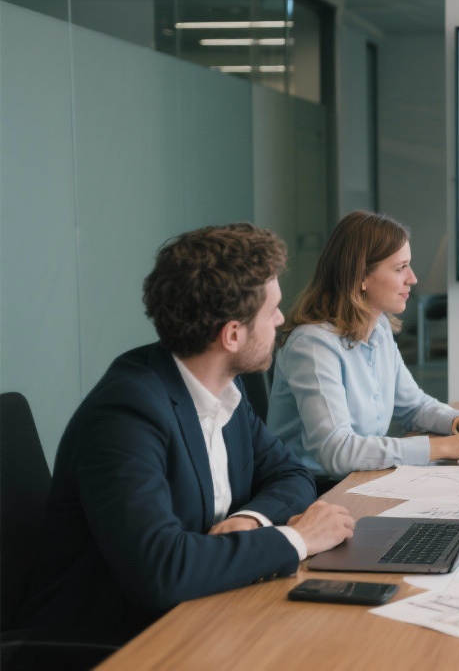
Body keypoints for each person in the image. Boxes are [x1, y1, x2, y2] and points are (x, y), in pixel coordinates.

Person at [19, 224, 354, 646]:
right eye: (272, 311)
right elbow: (162, 571)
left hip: (205, 612)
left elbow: (290, 475)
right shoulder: (125, 414)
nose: (281, 321)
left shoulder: (223, 390)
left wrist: (248, 519)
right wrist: (298, 538)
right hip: (111, 641)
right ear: (232, 335)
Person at [268, 211, 459, 487]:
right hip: (315, 488)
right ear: (361, 277)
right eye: (399, 268)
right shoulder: (312, 345)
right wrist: (446, 448)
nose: (413, 278)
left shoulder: (378, 326)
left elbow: (413, 406)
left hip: (359, 478)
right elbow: (337, 451)